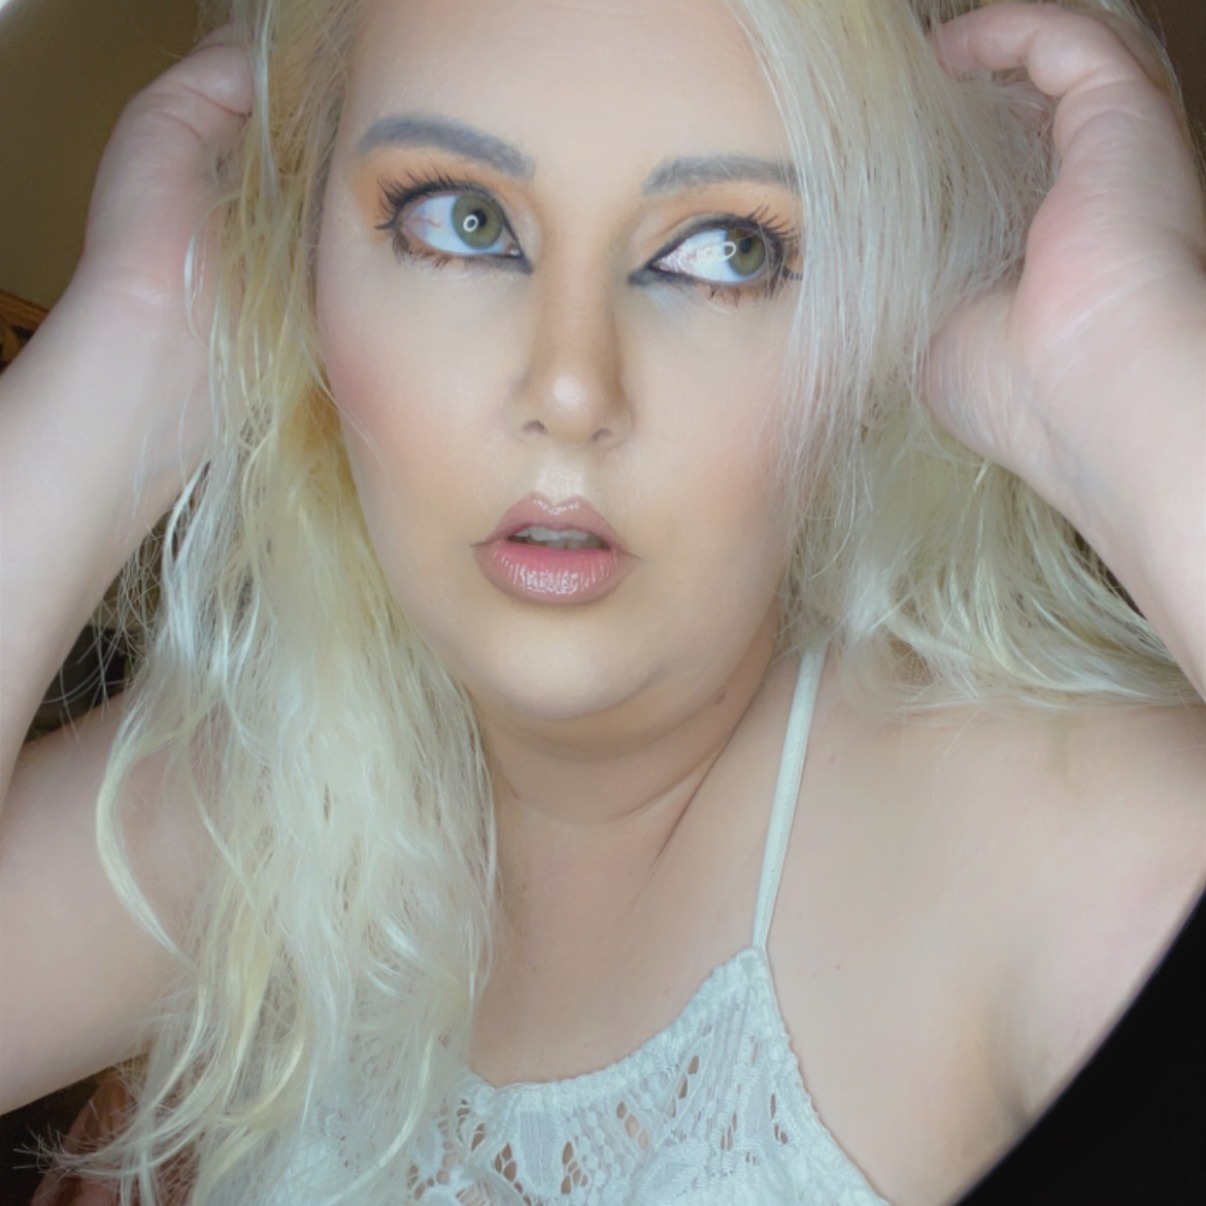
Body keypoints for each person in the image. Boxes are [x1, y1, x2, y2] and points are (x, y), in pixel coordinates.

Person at [1, 0, 1202, 1201]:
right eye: (462, 222)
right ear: (305, 266)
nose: (573, 389)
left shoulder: (1053, 846)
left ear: (872, 318)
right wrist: (123, 361)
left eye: (729, 250)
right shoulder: (257, 809)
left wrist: (1130, 369)